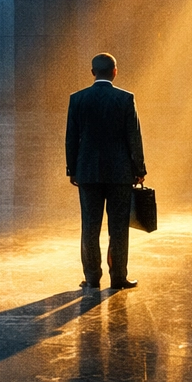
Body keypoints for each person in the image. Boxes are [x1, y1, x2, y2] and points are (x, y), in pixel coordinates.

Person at [65, 53, 147, 293]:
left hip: (87, 172)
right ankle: (118, 277)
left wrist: (72, 169)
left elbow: (71, 139)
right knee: (118, 227)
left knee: (89, 226)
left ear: (92, 72)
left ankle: (92, 278)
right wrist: (139, 169)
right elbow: (134, 137)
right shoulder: (125, 99)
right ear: (115, 71)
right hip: (120, 173)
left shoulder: (77, 99)